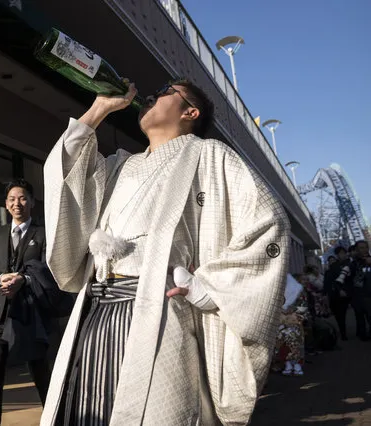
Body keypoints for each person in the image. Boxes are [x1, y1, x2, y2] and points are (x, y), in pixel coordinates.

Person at [41, 80, 290, 425]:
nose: (152, 95)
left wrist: (208, 287)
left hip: (160, 311)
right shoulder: (118, 166)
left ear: (191, 112)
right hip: (97, 311)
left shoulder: (209, 155)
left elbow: (267, 219)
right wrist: (98, 109)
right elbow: (68, 179)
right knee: (90, 410)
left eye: (165, 91)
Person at [0, 179, 51, 426]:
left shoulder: (43, 233)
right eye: (11, 199)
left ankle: (56, 419)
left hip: (32, 314)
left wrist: (25, 279)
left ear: (32, 202)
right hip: (0, 313)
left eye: (22, 198)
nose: (16, 203)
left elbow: (47, 269)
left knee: (42, 374)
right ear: (6, 204)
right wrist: (0, 278)